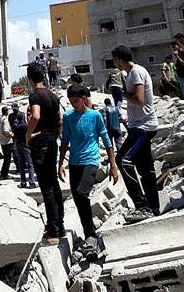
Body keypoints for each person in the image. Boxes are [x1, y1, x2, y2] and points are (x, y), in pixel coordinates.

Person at [58, 84, 120, 258]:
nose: (74, 105)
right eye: (71, 102)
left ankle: (91, 236)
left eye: (76, 101)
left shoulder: (95, 116)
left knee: (82, 193)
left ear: (83, 99)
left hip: (91, 161)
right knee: (78, 199)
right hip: (75, 164)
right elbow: (64, 141)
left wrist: (113, 165)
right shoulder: (68, 116)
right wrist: (61, 163)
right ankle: (89, 235)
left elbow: (107, 140)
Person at [111, 46, 160, 222]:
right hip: (139, 126)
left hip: (143, 127)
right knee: (145, 168)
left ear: (118, 58)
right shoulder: (131, 73)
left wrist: (122, 93)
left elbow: (139, 99)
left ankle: (142, 206)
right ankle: (154, 207)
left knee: (123, 161)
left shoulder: (136, 72)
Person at [26, 61, 64, 245]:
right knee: (54, 185)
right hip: (52, 142)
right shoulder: (52, 95)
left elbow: (35, 116)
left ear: (30, 78)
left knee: (46, 187)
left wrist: (28, 134)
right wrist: (54, 135)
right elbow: (59, 120)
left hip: (40, 144)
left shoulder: (35, 96)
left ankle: (53, 230)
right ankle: (60, 225)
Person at [9, 102, 37, 188]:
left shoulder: (16, 127)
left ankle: (23, 182)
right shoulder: (26, 126)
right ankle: (32, 182)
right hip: (26, 146)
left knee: (21, 165)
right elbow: (29, 136)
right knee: (30, 165)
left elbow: (15, 137)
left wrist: (14, 145)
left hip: (18, 146)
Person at [0, 106, 14, 179]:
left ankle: (2, 173)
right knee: (7, 159)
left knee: (6, 159)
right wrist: (12, 135)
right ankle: (5, 174)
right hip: (7, 142)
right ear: (7, 112)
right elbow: (5, 131)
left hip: (2, 141)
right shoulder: (5, 120)